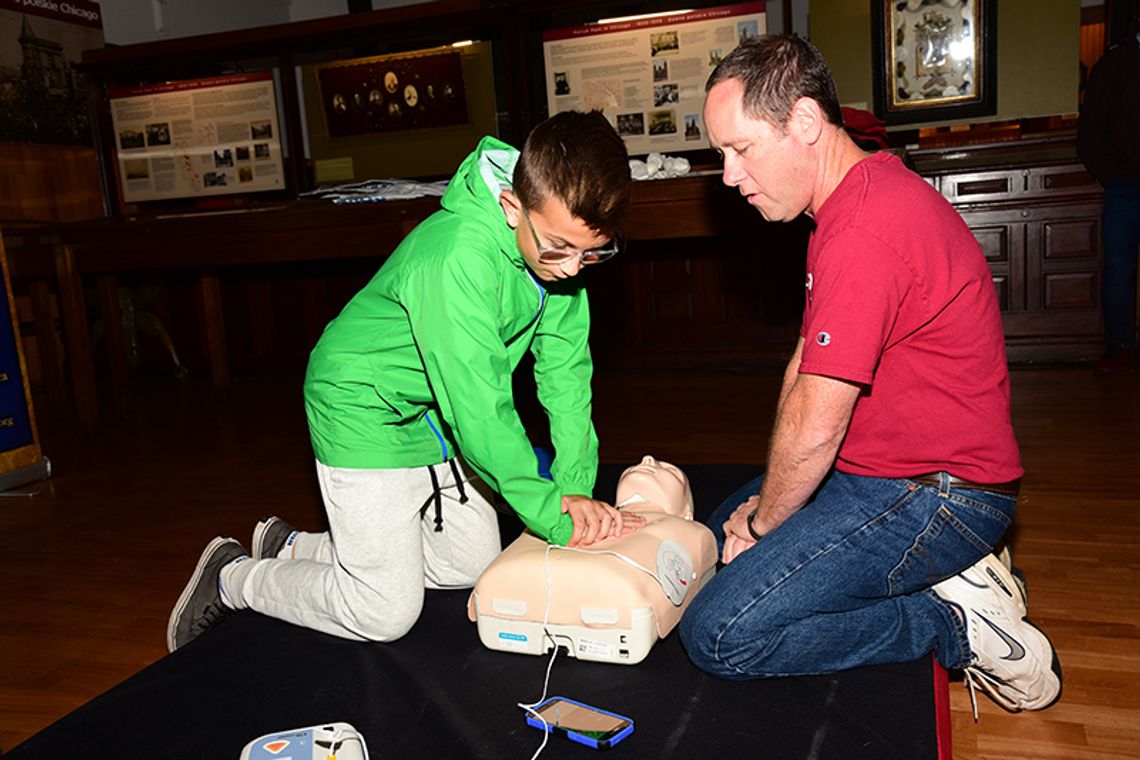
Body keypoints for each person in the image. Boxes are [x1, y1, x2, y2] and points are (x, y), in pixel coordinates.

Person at [677, 35, 1061, 716]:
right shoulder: (853, 198)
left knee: (720, 632)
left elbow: (820, 421)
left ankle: (960, 627)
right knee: (717, 533)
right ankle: (944, 581)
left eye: (741, 150)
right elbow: (806, 369)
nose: (730, 178)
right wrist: (763, 514)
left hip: (941, 497)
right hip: (883, 475)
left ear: (802, 121)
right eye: (721, 157)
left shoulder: (864, 229)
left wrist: (768, 528)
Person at [167, 111, 643, 651]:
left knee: (470, 567)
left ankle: (292, 545)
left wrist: (575, 487)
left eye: (594, 252)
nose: (573, 269)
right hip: (360, 403)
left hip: (431, 409)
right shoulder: (456, 257)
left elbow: (566, 377)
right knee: (383, 612)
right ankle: (233, 577)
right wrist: (555, 518)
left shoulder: (558, 259)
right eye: (559, 246)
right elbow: (481, 408)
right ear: (512, 207)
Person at [468, 456, 717, 663]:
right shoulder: (577, 510)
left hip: (512, 586)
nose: (647, 459)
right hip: (518, 585)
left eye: (669, 470)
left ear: (686, 513)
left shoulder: (695, 533)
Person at [1077, 3, 1140, 375]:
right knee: (1118, 266)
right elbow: (1091, 130)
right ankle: (1118, 345)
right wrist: (1112, 173)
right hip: (1126, 184)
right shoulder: (1115, 64)